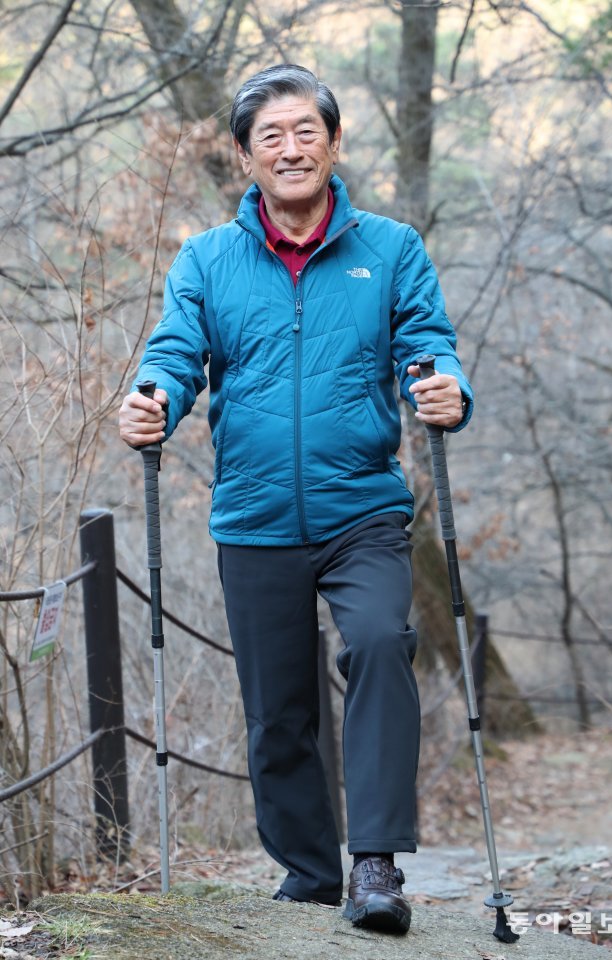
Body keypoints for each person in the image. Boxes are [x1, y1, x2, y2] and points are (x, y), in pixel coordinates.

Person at [119, 63, 473, 935]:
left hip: (363, 509)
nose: (290, 149)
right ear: (245, 156)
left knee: (381, 642)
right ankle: (310, 873)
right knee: (277, 713)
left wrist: (445, 386)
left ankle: (376, 863)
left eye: (305, 132)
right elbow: (174, 353)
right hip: (255, 515)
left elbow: (428, 342)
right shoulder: (208, 259)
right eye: (269, 136)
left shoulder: (391, 248)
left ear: (334, 142)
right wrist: (153, 398)